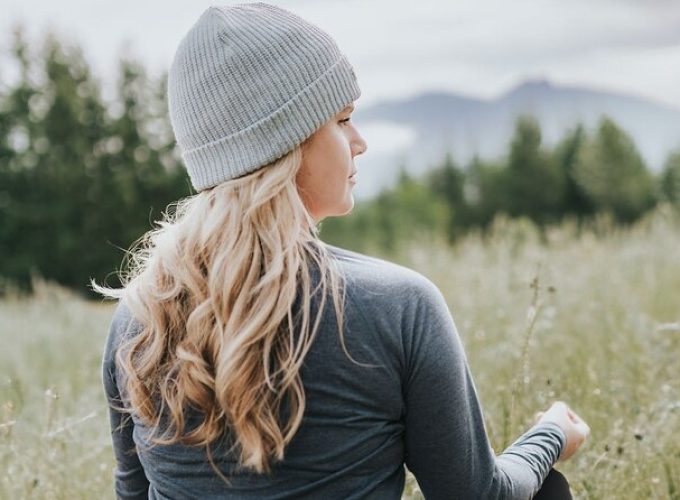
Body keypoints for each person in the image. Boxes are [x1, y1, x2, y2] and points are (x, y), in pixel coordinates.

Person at [93, 3, 590, 499]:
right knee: (546, 492)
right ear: (287, 145)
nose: (360, 142)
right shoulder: (397, 307)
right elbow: (478, 495)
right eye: (343, 120)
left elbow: (133, 494)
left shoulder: (138, 321)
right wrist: (549, 435)